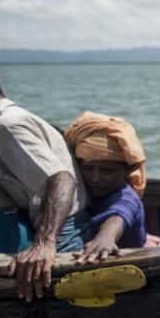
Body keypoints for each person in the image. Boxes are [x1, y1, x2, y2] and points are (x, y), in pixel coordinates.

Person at [0, 79, 90, 302]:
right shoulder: (13, 118)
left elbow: (62, 179)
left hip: (61, 232)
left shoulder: (6, 125)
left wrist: (44, 244)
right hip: (60, 224)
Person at [64, 111, 150, 264]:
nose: (95, 178)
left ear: (129, 169)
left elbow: (119, 216)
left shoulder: (126, 197)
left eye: (107, 171)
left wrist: (105, 237)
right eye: (88, 168)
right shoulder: (82, 190)